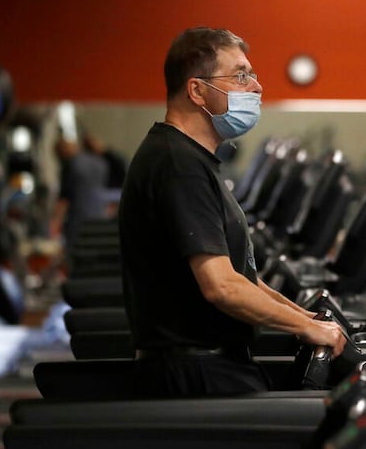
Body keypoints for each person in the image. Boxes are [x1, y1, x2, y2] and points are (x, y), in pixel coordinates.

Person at [118, 26, 347, 398]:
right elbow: (221, 286)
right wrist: (305, 329)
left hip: (210, 366)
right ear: (197, 90)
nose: (256, 87)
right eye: (241, 75)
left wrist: (308, 320)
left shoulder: (189, 159)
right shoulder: (179, 166)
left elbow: (242, 280)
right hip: (196, 376)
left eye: (252, 76)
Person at [49, 136, 109, 248]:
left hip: (78, 221)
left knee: (78, 255)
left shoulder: (71, 165)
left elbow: (65, 198)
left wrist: (54, 223)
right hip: (99, 217)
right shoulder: (100, 163)